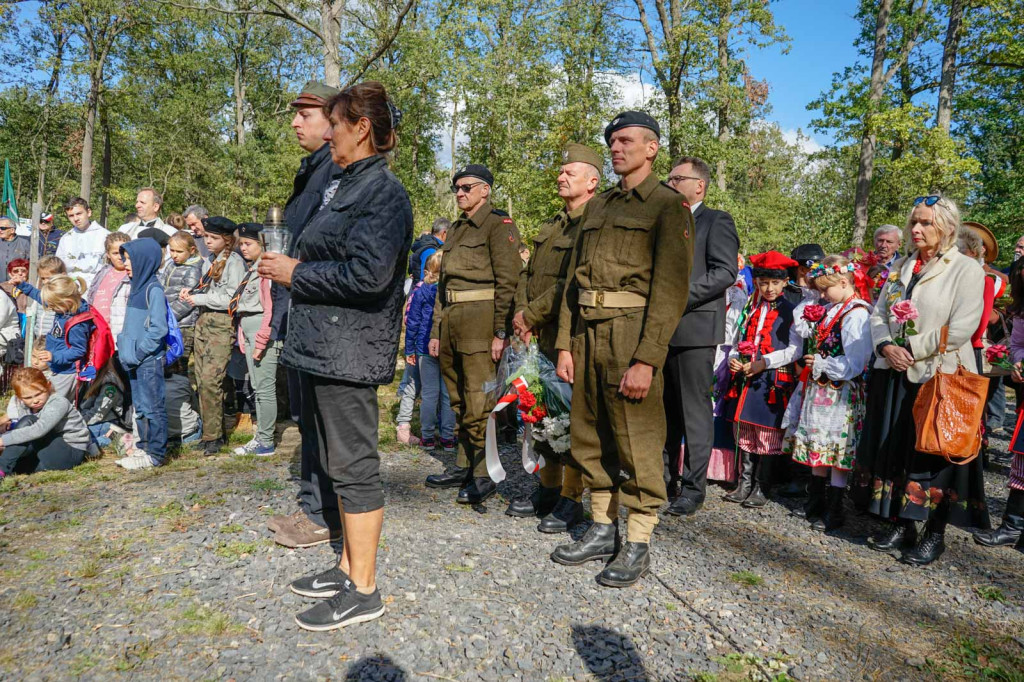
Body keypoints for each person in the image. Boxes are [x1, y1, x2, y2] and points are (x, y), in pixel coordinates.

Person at [259, 81, 412, 631]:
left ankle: (365, 589)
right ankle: (347, 567)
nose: (330, 133)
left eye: (337, 124)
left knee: (354, 466)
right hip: (322, 345)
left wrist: (295, 272)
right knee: (333, 460)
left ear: (360, 128)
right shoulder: (343, 185)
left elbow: (369, 277)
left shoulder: (384, 194)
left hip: (350, 349)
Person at [552, 111, 693, 587]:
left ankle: (637, 542)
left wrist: (647, 359)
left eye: (626, 140)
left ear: (651, 148)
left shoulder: (667, 207)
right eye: (612, 140)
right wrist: (566, 344)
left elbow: (670, 291)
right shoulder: (600, 205)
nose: (616, 147)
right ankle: (599, 527)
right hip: (587, 336)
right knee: (589, 434)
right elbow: (575, 280)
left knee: (636, 439)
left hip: (631, 335)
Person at [854, 195, 989, 567]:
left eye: (925, 222)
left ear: (946, 226)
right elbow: (879, 311)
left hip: (937, 374)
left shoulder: (965, 269)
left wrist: (908, 346)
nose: (916, 229)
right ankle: (901, 523)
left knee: (933, 453)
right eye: (914, 221)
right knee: (896, 448)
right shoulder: (901, 265)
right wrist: (885, 345)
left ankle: (934, 534)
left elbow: (962, 327)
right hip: (895, 370)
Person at [263, 80, 345, 550]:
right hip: (300, 304)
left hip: (320, 310)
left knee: (322, 420)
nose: (295, 122)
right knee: (306, 416)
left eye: (306, 115)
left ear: (333, 123)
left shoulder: (335, 171)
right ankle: (313, 504)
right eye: (295, 114)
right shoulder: (314, 170)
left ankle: (325, 513)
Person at [504, 143, 603, 532]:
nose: (561, 177)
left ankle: (571, 498)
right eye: (561, 172)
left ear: (592, 181)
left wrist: (531, 313)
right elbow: (528, 274)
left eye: (570, 173)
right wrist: (521, 312)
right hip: (538, 334)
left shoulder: (593, 225)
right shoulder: (555, 224)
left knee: (572, 421)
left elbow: (570, 283)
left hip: (571, 335)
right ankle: (547, 488)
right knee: (540, 414)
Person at [424, 163, 522, 504]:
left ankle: (483, 473)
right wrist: (437, 329)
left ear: (485, 190)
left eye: (467, 187)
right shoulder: (458, 228)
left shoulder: (498, 224)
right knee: (458, 398)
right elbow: (443, 286)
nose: (460, 193)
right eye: (458, 188)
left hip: (481, 322)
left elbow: (509, 280)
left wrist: (501, 330)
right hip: (452, 320)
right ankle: (463, 464)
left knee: (480, 399)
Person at [662, 155, 739, 517]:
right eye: (669, 178)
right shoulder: (665, 221)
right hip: (659, 329)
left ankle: (693, 488)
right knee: (663, 410)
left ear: (700, 185)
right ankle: (662, 479)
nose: (670, 183)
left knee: (693, 412)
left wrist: (680, 297)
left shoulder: (716, 221)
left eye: (677, 179)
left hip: (694, 328)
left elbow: (724, 272)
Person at [782, 256, 872, 531]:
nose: (821, 295)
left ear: (844, 282)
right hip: (821, 390)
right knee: (820, 444)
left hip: (840, 393)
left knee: (837, 448)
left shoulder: (857, 314)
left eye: (825, 289)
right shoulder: (833, 308)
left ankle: (835, 508)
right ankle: (816, 500)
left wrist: (822, 364)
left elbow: (856, 362)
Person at [719, 251, 801, 510]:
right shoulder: (750, 308)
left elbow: (794, 349)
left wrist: (765, 362)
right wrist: (735, 356)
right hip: (747, 376)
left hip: (771, 380)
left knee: (766, 433)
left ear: (784, 283)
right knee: (744, 428)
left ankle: (761, 485)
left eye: (774, 283)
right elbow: (738, 337)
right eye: (763, 282)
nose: (769, 288)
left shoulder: (792, 312)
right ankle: (743, 482)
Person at [179, 216, 245, 455]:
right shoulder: (211, 261)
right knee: (201, 379)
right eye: (206, 236)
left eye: (213, 237)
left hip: (221, 323)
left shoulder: (234, 262)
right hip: (204, 321)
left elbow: (232, 299)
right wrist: (193, 292)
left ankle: (214, 437)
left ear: (227, 240)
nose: (207, 241)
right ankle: (212, 433)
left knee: (211, 380)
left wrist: (198, 298)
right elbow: (208, 288)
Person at [114, 238, 169, 470]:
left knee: (153, 407)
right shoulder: (135, 287)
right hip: (133, 360)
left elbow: (159, 329)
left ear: (144, 262)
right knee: (140, 407)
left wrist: (138, 352)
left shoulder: (152, 289)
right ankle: (143, 447)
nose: (125, 264)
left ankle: (156, 453)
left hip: (146, 361)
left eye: (129, 260)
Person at [230, 223, 280, 457]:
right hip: (249, 332)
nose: (243, 248)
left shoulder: (266, 270)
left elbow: (269, 309)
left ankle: (266, 440)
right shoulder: (252, 269)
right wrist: (243, 335)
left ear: (262, 244)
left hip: (261, 333)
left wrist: (260, 340)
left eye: (248, 243)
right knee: (257, 387)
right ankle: (260, 436)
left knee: (264, 387)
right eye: (241, 244)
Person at [0, 368, 95, 478]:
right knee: (16, 466)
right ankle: (6, 467)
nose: (35, 400)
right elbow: (25, 436)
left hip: (70, 451)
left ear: (48, 386)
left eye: (39, 394)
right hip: (48, 451)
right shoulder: (23, 405)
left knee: (28, 421)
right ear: (19, 397)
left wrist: (3, 440)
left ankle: (1, 467)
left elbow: (38, 430)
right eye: (28, 397)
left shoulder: (58, 402)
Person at [405, 252, 455, 451]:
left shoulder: (421, 291)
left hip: (424, 347)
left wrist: (409, 349)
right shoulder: (451, 292)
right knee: (448, 394)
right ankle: (448, 437)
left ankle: (427, 437)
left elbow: (413, 322)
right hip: (448, 348)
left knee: (428, 394)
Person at [14, 274, 94, 401]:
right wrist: (22, 285)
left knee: (55, 403)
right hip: (57, 367)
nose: (49, 307)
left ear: (66, 301)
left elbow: (79, 350)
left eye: (52, 304)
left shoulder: (76, 324)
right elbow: (40, 297)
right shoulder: (63, 308)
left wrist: (54, 357)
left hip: (67, 372)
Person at [85, 232, 132, 344]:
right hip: (98, 329)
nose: (120, 257)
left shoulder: (132, 274)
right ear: (108, 254)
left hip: (120, 332)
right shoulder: (103, 273)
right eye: (115, 253)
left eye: (123, 252)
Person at [161, 231, 202, 359]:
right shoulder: (171, 264)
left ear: (191, 250)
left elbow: (187, 301)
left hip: (184, 323)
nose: (174, 255)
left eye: (179, 252)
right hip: (168, 320)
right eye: (172, 250)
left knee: (179, 361)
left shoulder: (194, 269)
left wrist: (168, 315)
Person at [57, 197, 108, 288]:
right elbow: (59, 266)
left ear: (88, 212)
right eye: (71, 216)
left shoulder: (105, 236)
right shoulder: (66, 238)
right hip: (71, 287)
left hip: (96, 286)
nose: (76, 219)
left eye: (79, 214)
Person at [409, 217, 450, 286]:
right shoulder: (431, 250)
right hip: (426, 292)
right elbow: (426, 278)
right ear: (444, 233)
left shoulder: (428, 245)